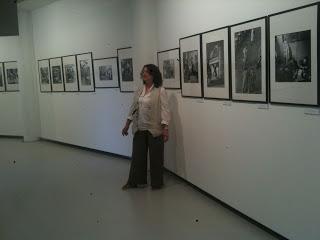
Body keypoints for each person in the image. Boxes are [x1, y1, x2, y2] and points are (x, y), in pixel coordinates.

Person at [121, 64, 170, 190]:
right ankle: (135, 182)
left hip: (154, 129)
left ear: (153, 75)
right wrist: (127, 125)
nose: (143, 75)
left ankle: (157, 184)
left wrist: (165, 129)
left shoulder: (160, 90)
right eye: (142, 73)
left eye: (146, 73)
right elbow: (133, 108)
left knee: (156, 159)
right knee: (137, 157)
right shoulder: (139, 90)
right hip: (140, 128)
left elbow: (165, 110)